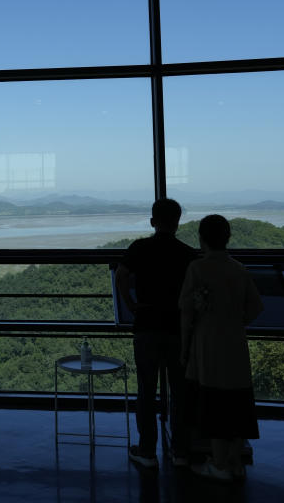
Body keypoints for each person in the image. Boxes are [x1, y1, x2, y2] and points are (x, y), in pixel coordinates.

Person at [179, 214, 264, 482]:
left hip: (207, 344)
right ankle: (234, 461)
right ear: (227, 238)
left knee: (213, 400)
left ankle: (218, 464)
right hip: (235, 343)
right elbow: (255, 307)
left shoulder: (197, 269)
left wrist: (184, 347)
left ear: (202, 239)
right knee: (238, 401)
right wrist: (235, 322)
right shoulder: (239, 268)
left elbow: (185, 310)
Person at [116, 198, 196, 469]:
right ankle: (181, 451)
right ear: (178, 222)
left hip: (147, 325)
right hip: (178, 327)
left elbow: (122, 276)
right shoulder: (187, 253)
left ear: (152, 221)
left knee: (146, 390)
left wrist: (130, 304)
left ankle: (147, 450)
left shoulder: (139, 248)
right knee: (180, 391)